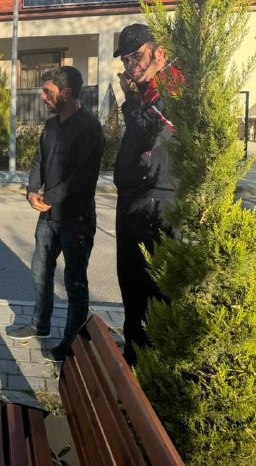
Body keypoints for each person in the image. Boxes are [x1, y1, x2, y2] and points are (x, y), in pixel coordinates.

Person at [6, 67, 105, 362]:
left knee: (75, 281)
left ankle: (72, 341)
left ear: (67, 94)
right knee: (40, 272)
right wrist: (31, 190)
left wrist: (48, 197)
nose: (41, 96)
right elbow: (39, 159)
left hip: (76, 219)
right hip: (48, 217)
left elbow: (82, 178)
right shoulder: (51, 126)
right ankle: (40, 325)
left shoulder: (89, 128)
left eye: (47, 91)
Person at [113, 23, 181, 366]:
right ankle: (132, 364)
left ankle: (151, 375)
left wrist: (131, 101)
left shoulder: (172, 88)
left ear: (159, 54)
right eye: (126, 59)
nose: (131, 65)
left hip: (158, 207)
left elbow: (154, 129)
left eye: (137, 56)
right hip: (131, 206)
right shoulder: (144, 95)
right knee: (132, 292)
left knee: (153, 298)